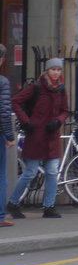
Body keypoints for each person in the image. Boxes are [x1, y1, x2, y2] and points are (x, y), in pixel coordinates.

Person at [7, 58, 71, 219]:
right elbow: (15, 102)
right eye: (53, 69)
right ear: (47, 70)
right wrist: (26, 122)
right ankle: (13, 203)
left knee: (51, 172)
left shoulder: (61, 89)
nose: (56, 72)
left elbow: (65, 110)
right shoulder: (36, 87)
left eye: (59, 70)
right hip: (36, 135)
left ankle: (49, 207)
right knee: (30, 172)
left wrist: (58, 121)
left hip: (52, 136)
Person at [0, 45, 15, 227]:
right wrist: (10, 136)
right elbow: (3, 112)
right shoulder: (2, 82)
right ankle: (1, 215)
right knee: (0, 176)